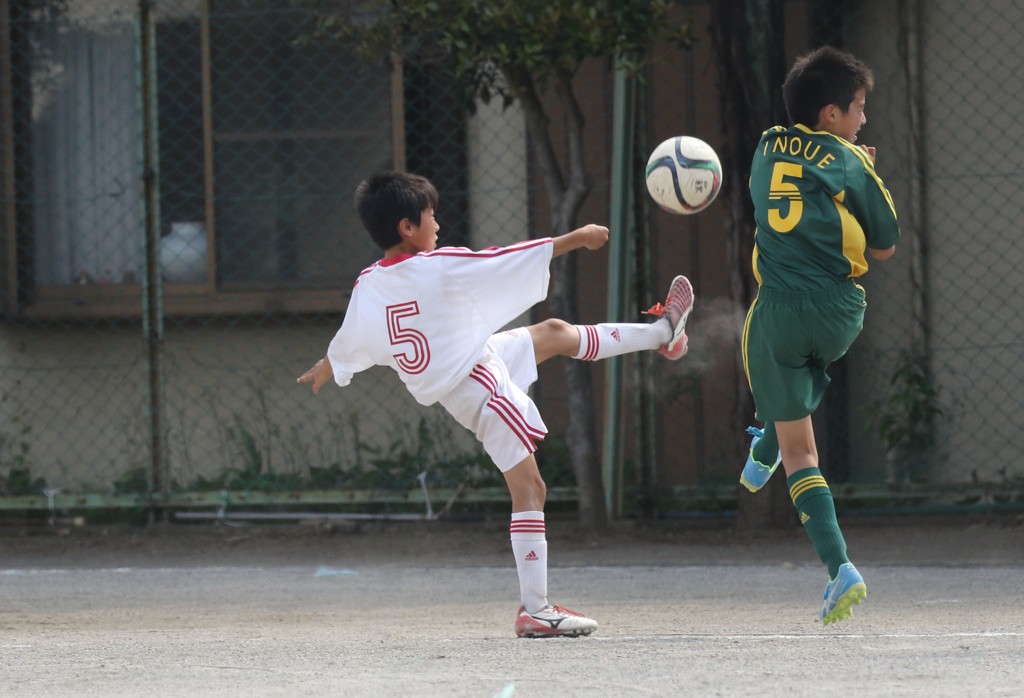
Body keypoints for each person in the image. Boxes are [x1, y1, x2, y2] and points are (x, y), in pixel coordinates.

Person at [297, 171, 694, 638]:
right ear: (407, 227)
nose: (438, 225)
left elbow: (351, 339)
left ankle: (663, 334)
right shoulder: (438, 266)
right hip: (477, 382)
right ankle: (536, 609)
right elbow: (504, 259)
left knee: (553, 333)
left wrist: (329, 365)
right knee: (530, 487)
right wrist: (578, 238)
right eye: (430, 216)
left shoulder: (368, 285)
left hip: (467, 365)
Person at [738, 46, 900, 625]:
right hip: (840, 315)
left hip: (780, 315)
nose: (863, 120)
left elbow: (795, 169)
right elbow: (883, 246)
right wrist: (861, 169)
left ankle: (840, 570)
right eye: (857, 109)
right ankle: (764, 446)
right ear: (831, 114)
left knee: (798, 448)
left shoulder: (763, 145)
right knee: (799, 381)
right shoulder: (851, 160)